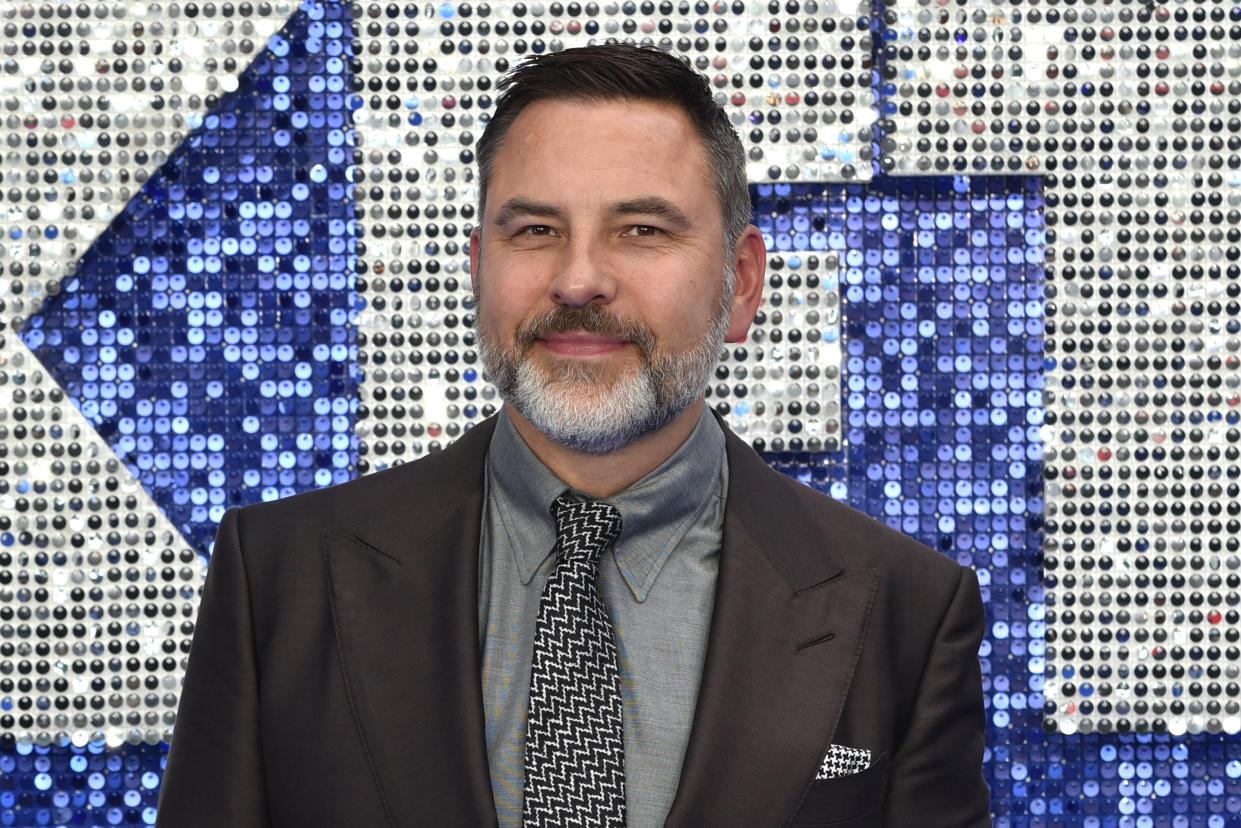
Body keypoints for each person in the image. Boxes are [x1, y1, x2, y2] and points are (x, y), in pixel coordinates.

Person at [156, 44, 991, 827]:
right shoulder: (279, 577)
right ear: (479, 267)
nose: (579, 279)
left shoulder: (906, 611)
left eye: (642, 230)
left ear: (740, 285)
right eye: (535, 231)